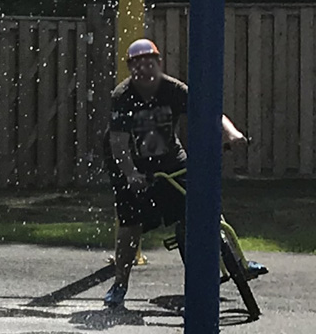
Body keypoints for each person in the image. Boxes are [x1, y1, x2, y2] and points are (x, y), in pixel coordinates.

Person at [103, 38, 251, 308]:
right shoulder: (122, 96)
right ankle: (120, 284)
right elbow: (118, 143)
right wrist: (131, 174)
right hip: (131, 163)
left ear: (159, 63)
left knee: (199, 204)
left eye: (150, 62)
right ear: (130, 68)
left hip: (170, 157)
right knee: (130, 223)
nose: (145, 69)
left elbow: (209, 113)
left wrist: (233, 135)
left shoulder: (173, 89)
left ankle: (228, 265)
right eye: (138, 64)